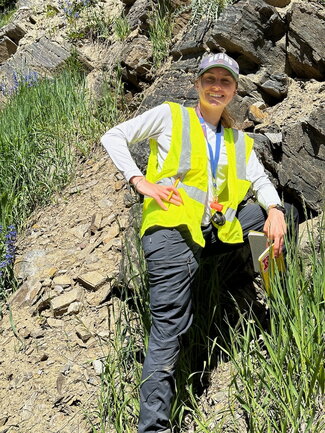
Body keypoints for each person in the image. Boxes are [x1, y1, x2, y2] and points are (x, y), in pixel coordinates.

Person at [101, 52, 298, 433]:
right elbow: (114, 136)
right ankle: (153, 427)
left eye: (225, 81)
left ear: (234, 91)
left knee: (280, 214)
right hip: (172, 231)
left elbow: (258, 181)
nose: (217, 86)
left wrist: (272, 208)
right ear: (198, 84)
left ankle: (274, 297)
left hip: (213, 231)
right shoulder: (171, 115)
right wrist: (140, 181)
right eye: (210, 79)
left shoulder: (237, 141)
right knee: (170, 325)